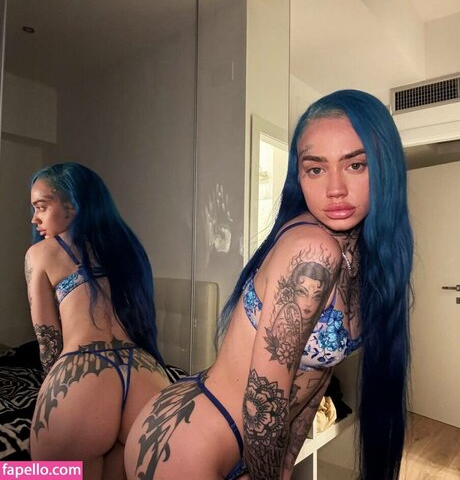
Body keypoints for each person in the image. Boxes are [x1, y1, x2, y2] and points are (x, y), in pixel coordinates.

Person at [124, 89, 413, 480]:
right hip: (190, 443)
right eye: (316, 169)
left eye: (356, 165)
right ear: (299, 177)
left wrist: (283, 467)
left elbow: (315, 383)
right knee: (55, 470)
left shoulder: (360, 257)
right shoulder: (313, 251)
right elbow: (266, 401)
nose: (335, 189)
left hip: (245, 444)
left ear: (385, 167)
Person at [25, 162, 170, 480]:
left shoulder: (41, 253)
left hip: (82, 374)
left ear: (72, 206)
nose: (34, 218)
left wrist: (57, 390)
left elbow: (48, 341)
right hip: (146, 375)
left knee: (25, 474)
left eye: (41, 206)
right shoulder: (128, 248)